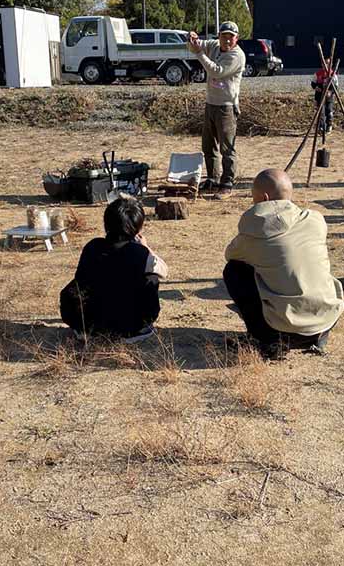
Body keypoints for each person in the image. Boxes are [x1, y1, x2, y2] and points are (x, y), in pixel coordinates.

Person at [223, 169, 344, 358]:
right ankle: (316, 336)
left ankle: (268, 340)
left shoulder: (253, 233)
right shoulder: (316, 220)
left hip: (283, 327)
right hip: (327, 318)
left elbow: (230, 254)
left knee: (234, 270)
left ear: (263, 198)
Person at [60, 195, 168, 342]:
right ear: (137, 228)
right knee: (151, 276)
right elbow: (164, 271)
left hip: (87, 323)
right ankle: (140, 329)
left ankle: (87, 330)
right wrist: (146, 247)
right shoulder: (141, 253)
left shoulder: (92, 246)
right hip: (129, 326)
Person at [188, 21, 246, 200]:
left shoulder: (237, 55)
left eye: (231, 37)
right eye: (224, 36)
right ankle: (212, 179)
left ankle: (227, 183)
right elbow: (194, 47)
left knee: (227, 147)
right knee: (208, 145)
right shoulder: (214, 45)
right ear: (219, 36)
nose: (227, 40)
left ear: (236, 38)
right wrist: (192, 40)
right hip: (211, 103)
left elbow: (216, 71)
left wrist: (199, 54)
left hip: (226, 107)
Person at [311, 58, 338, 133]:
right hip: (319, 96)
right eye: (324, 63)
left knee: (329, 110)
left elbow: (335, 86)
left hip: (329, 97)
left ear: (330, 65)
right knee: (320, 112)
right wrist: (316, 87)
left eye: (328, 64)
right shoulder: (318, 74)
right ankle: (321, 127)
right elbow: (313, 83)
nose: (326, 65)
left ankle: (329, 125)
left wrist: (330, 92)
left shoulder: (333, 74)